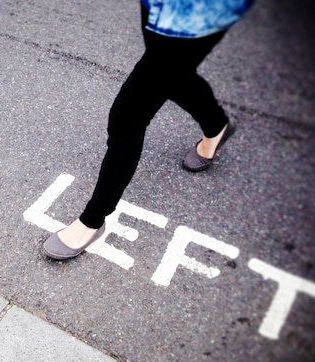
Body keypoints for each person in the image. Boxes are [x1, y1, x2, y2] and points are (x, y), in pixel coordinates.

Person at [43, 0, 256, 260]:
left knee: (128, 116)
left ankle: (93, 219)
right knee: (172, 70)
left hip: (200, 10)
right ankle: (216, 125)